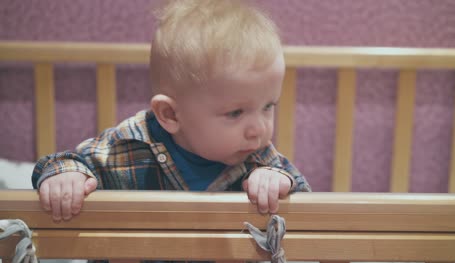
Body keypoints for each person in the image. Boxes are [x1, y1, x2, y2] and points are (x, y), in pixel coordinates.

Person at [32, 0, 311, 225]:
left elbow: (304, 199)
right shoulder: (129, 146)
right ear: (170, 115)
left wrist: (279, 182)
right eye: (236, 113)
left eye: (268, 107)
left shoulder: (259, 160)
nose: (258, 129)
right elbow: (65, 162)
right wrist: (66, 177)